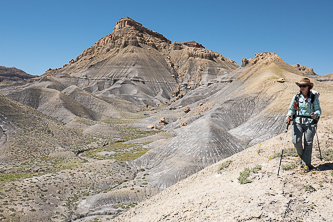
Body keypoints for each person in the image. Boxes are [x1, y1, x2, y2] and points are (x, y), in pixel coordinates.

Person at [286, 77, 321, 172]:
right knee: (296, 141)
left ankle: (306, 164)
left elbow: (318, 110)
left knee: (308, 143)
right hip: (297, 122)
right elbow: (291, 109)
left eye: (304, 86)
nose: (302, 87)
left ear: (308, 87)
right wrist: (289, 116)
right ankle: (301, 156)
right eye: (300, 86)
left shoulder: (313, 97)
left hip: (310, 123)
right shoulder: (296, 97)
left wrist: (316, 114)